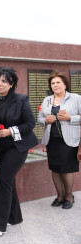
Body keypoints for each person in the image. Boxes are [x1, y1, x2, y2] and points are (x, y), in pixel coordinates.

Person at [0, 68, 38, 236]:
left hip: (17, 147)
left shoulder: (21, 100)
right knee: (8, 181)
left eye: (4, 81)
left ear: (12, 84)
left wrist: (10, 131)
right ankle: (14, 216)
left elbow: (30, 123)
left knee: (3, 180)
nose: (0, 84)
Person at [38, 71, 81, 209]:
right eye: (53, 83)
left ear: (65, 85)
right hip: (52, 140)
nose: (55, 85)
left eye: (58, 83)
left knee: (66, 169)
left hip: (68, 140)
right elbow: (39, 118)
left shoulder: (76, 98)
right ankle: (60, 196)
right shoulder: (47, 100)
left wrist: (70, 118)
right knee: (55, 169)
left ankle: (69, 196)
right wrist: (46, 120)